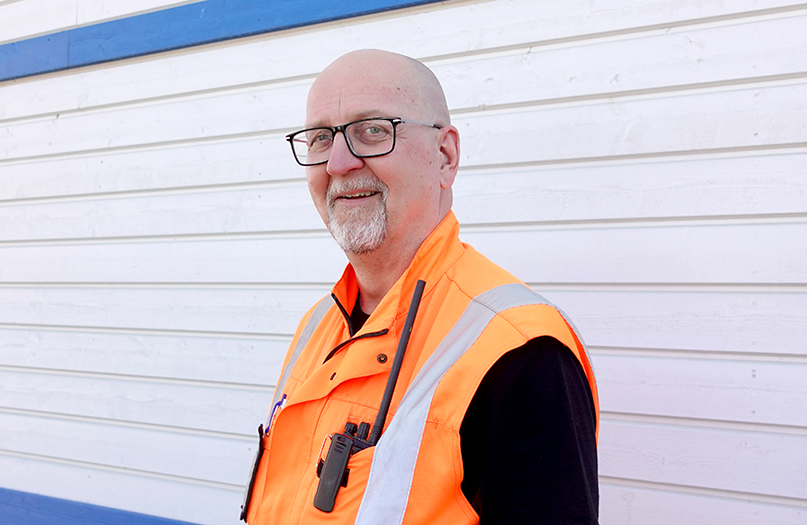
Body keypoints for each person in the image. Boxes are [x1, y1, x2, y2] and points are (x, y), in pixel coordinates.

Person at [241, 49, 599, 525]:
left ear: (444, 156)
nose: (340, 162)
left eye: (373, 131)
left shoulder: (520, 352)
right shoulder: (320, 327)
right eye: (321, 138)